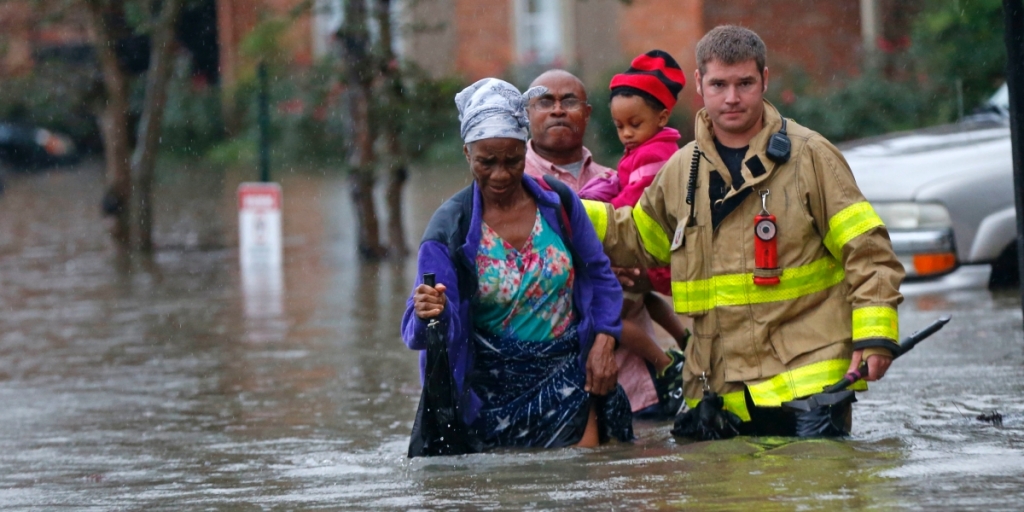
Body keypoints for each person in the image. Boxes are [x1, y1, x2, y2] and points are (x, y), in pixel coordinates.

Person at [583, 26, 905, 437]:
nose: (731, 98)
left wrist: (876, 336)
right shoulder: (681, 170)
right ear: (699, 84)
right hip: (719, 392)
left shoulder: (811, 157)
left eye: (744, 84)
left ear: (764, 81)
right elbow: (640, 239)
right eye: (718, 84)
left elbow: (868, 251)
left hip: (810, 392)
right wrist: (564, 208)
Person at [401, 78, 633, 450]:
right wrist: (431, 311)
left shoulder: (558, 204)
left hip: (570, 383)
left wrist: (605, 339)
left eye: (512, 160)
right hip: (488, 402)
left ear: (525, 150)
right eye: (486, 162)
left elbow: (600, 275)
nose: (501, 174)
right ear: (466, 154)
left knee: (587, 485)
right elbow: (418, 332)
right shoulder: (449, 231)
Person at [525, 69, 691, 419]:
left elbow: (665, 239)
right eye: (545, 101)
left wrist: (635, 263)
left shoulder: (614, 179)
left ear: (587, 114)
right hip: (553, 390)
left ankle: (671, 361)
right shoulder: (510, 183)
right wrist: (598, 266)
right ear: (527, 113)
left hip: (637, 389)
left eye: (568, 101)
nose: (557, 109)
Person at [605, 49, 692, 418]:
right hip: (656, 252)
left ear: (662, 116)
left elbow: (634, 202)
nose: (625, 133)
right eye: (619, 126)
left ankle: (662, 363)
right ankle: (685, 339)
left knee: (608, 316)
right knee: (646, 297)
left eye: (634, 124)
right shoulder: (649, 147)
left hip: (650, 248)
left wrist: (597, 213)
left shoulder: (655, 154)